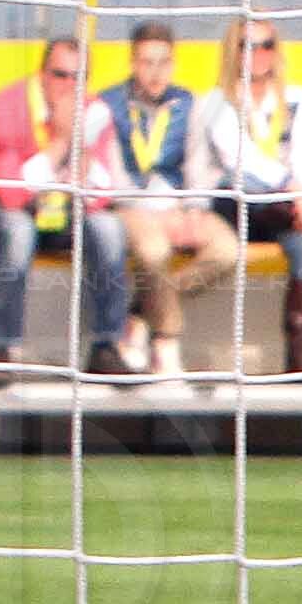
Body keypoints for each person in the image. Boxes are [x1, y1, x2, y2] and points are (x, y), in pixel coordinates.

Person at [78, 21, 238, 381]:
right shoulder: (108, 104)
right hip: (129, 206)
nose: (155, 72)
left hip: (178, 203)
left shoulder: (188, 103)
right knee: (153, 250)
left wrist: (196, 207)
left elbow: (198, 161)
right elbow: (110, 169)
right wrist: (150, 210)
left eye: (163, 62)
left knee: (227, 251)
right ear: (133, 63)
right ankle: (166, 341)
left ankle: (140, 311)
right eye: (147, 62)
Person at [190, 14, 302, 385]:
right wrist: (295, 193)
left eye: (267, 45)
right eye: (248, 46)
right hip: (233, 206)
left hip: (286, 210)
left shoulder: (297, 99)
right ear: (233, 52)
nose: (259, 54)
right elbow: (240, 160)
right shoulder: (217, 102)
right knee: (249, 190)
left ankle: (299, 353)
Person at [0, 34, 93, 385]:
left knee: (108, 230)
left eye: (79, 78)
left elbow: (100, 192)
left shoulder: (93, 110)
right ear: (42, 74)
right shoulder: (4, 110)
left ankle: (107, 345)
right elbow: (12, 195)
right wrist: (61, 143)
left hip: (55, 211)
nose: (69, 86)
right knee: (17, 228)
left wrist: (83, 165)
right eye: (61, 75)